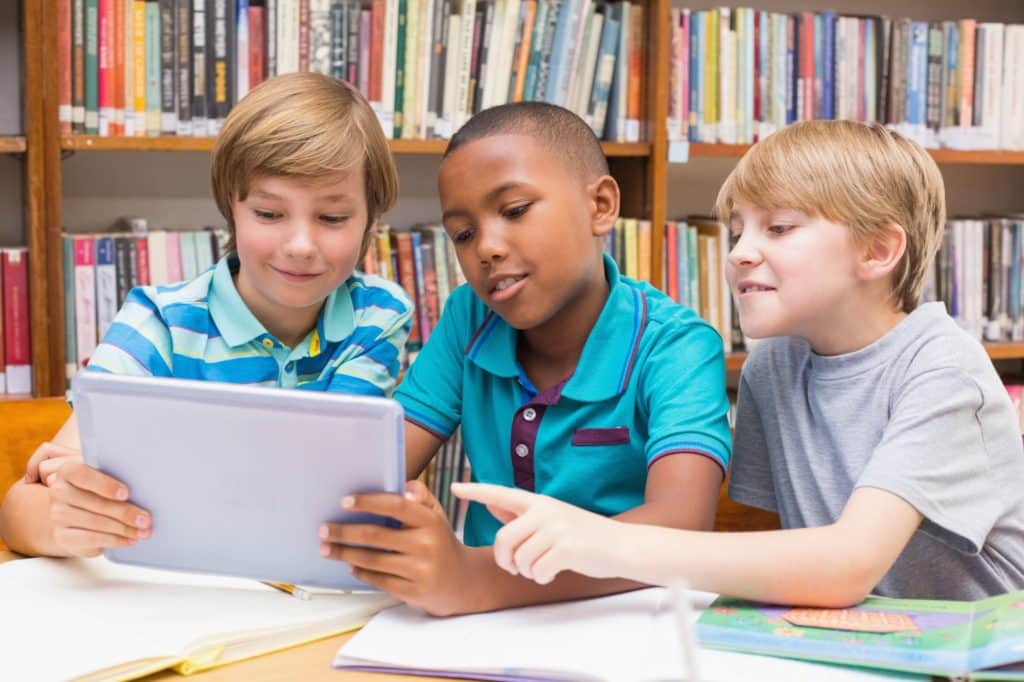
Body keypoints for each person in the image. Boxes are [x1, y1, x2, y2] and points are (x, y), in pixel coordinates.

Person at [452, 120, 1024, 605]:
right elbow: (761, 539)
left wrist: (594, 540)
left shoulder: (944, 371)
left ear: (877, 250)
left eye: (778, 227)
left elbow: (848, 563)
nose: (738, 252)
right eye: (737, 230)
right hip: (855, 644)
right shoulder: (773, 364)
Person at [317, 102, 732, 615]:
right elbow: (375, 469)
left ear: (600, 205)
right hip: (480, 627)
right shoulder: (470, 317)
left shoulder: (677, 347)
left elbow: (681, 530)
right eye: (463, 234)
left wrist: (472, 580)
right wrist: (393, 517)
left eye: (514, 211)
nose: (486, 248)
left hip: (627, 624)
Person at [0, 72, 412, 558]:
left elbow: (331, 486)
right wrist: (61, 518)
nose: (300, 246)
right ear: (231, 210)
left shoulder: (378, 315)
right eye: (269, 214)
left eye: (333, 218)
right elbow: (22, 509)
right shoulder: (158, 322)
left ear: (371, 221)